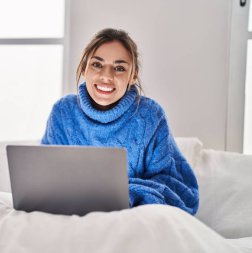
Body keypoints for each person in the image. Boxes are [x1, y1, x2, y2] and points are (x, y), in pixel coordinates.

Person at [41, 28, 199, 215]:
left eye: (119, 68)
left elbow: (175, 187)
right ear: (84, 68)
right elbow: (45, 178)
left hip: (132, 221)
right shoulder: (63, 112)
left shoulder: (150, 117)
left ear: (133, 76)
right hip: (73, 219)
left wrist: (125, 194)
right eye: (97, 65)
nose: (106, 76)